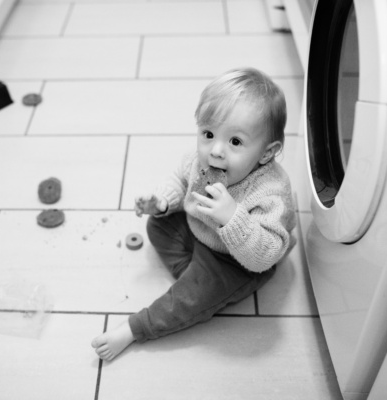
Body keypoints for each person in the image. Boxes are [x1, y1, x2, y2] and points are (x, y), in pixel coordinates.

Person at [92, 67, 297, 361]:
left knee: (193, 294)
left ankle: (137, 328)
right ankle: (196, 284)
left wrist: (232, 217)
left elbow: (266, 255)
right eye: (208, 134)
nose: (215, 150)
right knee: (157, 226)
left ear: (266, 153)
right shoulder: (201, 160)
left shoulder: (271, 192)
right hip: (200, 232)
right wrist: (163, 202)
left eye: (235, 142)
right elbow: (181, 181)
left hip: (238, 261)